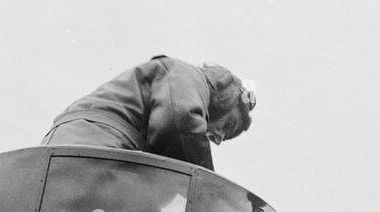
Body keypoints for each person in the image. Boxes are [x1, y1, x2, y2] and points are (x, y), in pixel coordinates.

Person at [41, 55, 254, 171]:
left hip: (65, 149)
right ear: (222, 98)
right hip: (98, 145)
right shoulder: (187, 74)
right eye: (227, 125)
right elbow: (179, 122)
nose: (217, 138)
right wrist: (209, 191)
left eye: (223, 140)